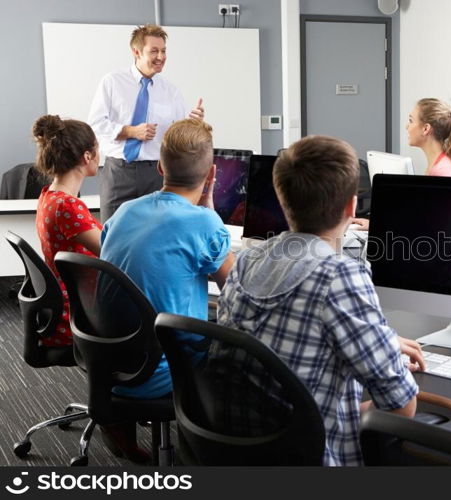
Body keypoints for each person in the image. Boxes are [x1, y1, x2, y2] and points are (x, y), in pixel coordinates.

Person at [216, 135, 425, 466]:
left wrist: (380, 340)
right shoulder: (340, 276)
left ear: (283, 201)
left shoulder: (245, 262)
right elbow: (402, 405)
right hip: (310, 456)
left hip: (238, 450)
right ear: (351, 208)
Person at [99, 118, 234, 460]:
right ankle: (210, 456)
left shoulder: (123, 212)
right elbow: (237, 289)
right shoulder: (204, 223)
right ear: (211, 173)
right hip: (164, 370)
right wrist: (211, 218)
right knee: (248, 346)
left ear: (160, 167)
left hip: (108, 363)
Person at [88, 24, 205, 222]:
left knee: (155, 236)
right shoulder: (112, 82)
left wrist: (193, 124)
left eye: (164, 51)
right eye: (154, 51)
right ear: (136, 52)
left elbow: (177, 137)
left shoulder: (171, 91)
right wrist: (130, 131)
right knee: (112, 237)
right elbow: (95, 124)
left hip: (156, 174)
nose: (161, 56)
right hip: (119, 173)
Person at [32, 115, 102, 348]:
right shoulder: (67, 206)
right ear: (87, 156)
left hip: (72, 304)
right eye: (97, 149)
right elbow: (112, 251)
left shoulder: (49, 196)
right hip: (80, 315)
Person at [351, 97, 451, 230]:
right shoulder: (437, 165)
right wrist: (376, 224)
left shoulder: (442, 171)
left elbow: (433, 227)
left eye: (411, 120)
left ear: (426, 129)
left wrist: (379, 226)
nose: (407, 126)